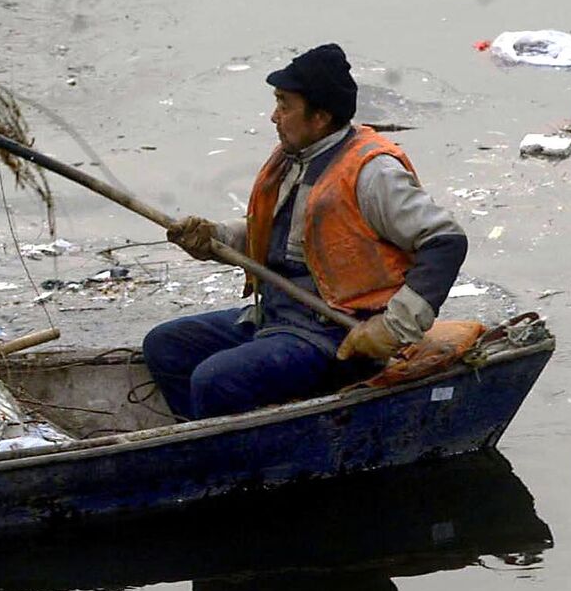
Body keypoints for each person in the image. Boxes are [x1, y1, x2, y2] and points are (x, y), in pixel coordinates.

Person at [142, 44, 468, 420]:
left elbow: (445, 241)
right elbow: (284, 244)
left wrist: (394, 326)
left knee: (216, 380)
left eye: (284, 104)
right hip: (280, 316)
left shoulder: (372, 173)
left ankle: (237, 458)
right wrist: (213, 237)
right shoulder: (295, 159)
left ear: (320, 116)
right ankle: (205, 441)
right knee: (164, 346)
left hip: (338, 334)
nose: (273, 116)